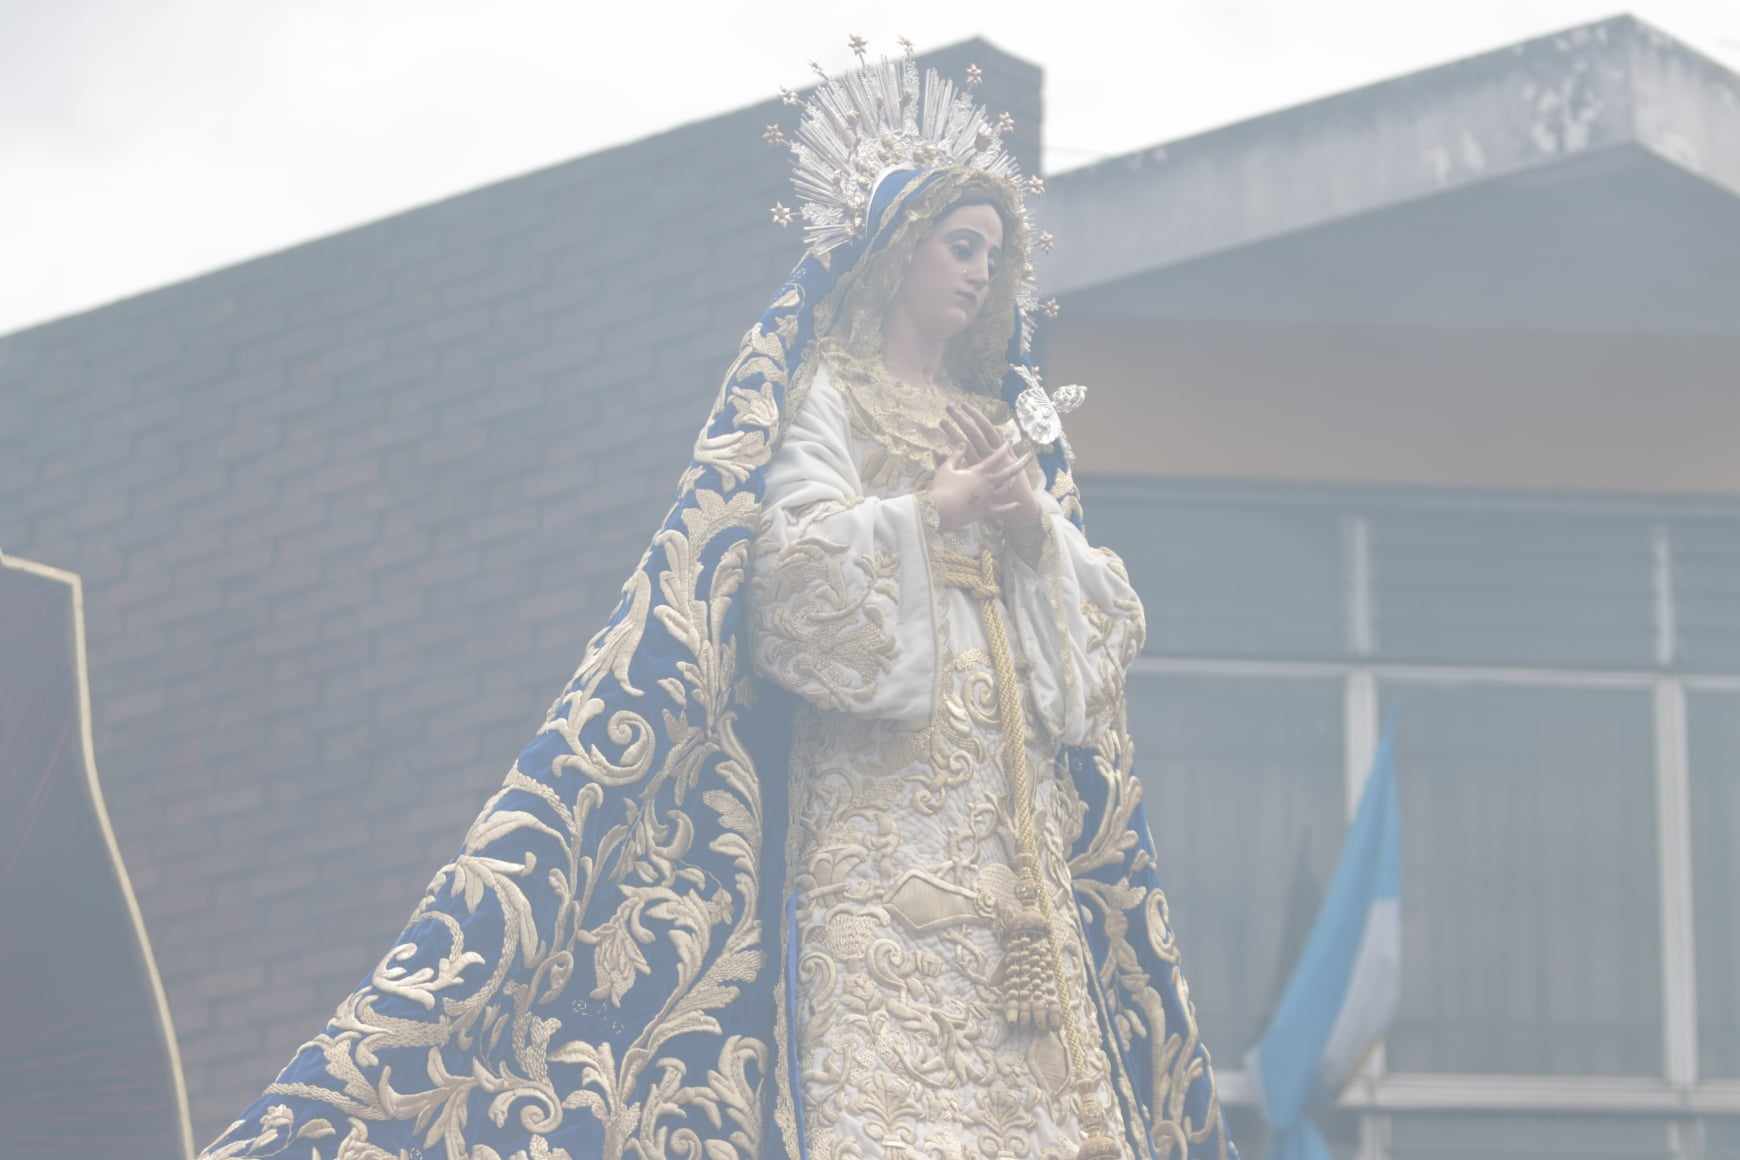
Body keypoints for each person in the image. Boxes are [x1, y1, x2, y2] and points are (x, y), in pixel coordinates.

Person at [198, 42, 1236, 1160]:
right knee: (893, 1075)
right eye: (961, 245)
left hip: (1005, 795)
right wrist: (928, 510)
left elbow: (1101, 627)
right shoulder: (830, 391)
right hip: (882, 787)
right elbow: (785, 574)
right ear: (896, 253)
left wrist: (1029, 525)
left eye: (995, 252)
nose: (983, 274)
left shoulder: (1004, 412)